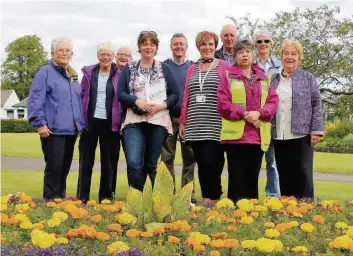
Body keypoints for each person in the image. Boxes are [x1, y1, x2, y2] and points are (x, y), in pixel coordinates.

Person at [217, 39, 278, 203]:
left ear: (253, 54)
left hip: (257, 138)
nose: (244, 55)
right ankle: (234, 214)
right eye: (240, 52)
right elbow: (223, 104)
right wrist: (245, 114)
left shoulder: (264, 78)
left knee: (252, 178)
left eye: (248, 51)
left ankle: (251, 214)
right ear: (235, 56)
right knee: (236, 178)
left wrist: (259, 113)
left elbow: (272, 102)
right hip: (235, 138)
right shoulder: (228, 76)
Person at [118, 31, 179, 191]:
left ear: (156, 47)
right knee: (134, 163)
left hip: (157, 121)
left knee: (151, 164)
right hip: (134, 121)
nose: (148, 47)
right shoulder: (129, 68)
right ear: (139, 47)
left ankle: (154, 204)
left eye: (152, 44)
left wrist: (161, 105)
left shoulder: (164, 68)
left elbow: (175, 94)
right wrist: (136, 101)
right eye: (145, 43)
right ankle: (136, 202)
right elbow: (121, 93)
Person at [28, 37, 84, 201]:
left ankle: (60, 200)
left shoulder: (73, 76)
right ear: (53, 53)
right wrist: (40, 124)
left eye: (68, 51)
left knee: (64, 168)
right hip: (53, 130)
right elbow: (35, 98)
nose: (65, 53)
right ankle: (50, 203)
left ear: (72, 54)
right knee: (54, 168)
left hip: (71, 130)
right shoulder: (45, 72)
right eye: (61, 50)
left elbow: (76, 103)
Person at [179, 31, 232, 206]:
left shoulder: (224, 66)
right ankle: (207, 200)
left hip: (215, 123)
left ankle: (214, 197)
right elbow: (187, 95)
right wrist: (182, 121)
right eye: (203, 44)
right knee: (202, 163)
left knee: (213, 162)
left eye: (210, 44)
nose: (207, 48)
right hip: (194, 124)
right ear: (198, 47)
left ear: (215, 46)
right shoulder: (192, 68)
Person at [271, 39, 323, 199]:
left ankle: (306, 210)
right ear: (281, 57)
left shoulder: (307, 77)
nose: (289, 57)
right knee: (285, 173)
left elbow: (317, 103)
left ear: (299, 57)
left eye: (293, 54)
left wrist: (316, 130)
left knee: (303, 174)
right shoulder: (274, 79)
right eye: (286, 53)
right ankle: (288, 211)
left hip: (302, 134)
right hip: (280, 134)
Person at [77, 42, 122, 204]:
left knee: (109, 163)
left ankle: (106, 198)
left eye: (109, 55)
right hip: (90, 123)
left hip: (111, 124)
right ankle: (82, 198)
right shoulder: (89, 74)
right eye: (102, 54)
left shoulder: (119, 74)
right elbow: (82, 97)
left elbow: (122, 101)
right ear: (98, 56)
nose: (105, 57)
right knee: (85, 161)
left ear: (113, 56)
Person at [160, 33, 197, 203]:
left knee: (189, 159)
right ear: (171, 46)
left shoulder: (194, 67)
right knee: (167, 158)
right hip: (167, 117)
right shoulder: (163, 66)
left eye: (182, 44)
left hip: (188, 120)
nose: (179, 47)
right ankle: (167, 195)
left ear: (186, 46)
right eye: (175, 44)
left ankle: (187, 196)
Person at [253, 30, 282, 198]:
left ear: (271, 44)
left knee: (272, 162)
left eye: (266, 41)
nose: (263, 44)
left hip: (274, 118)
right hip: (254, 119)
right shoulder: (250, 64)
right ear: (255, 45)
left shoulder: (280, 65)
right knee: (254, 162)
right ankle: (250, 195)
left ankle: (273, 195)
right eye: (259, 41)